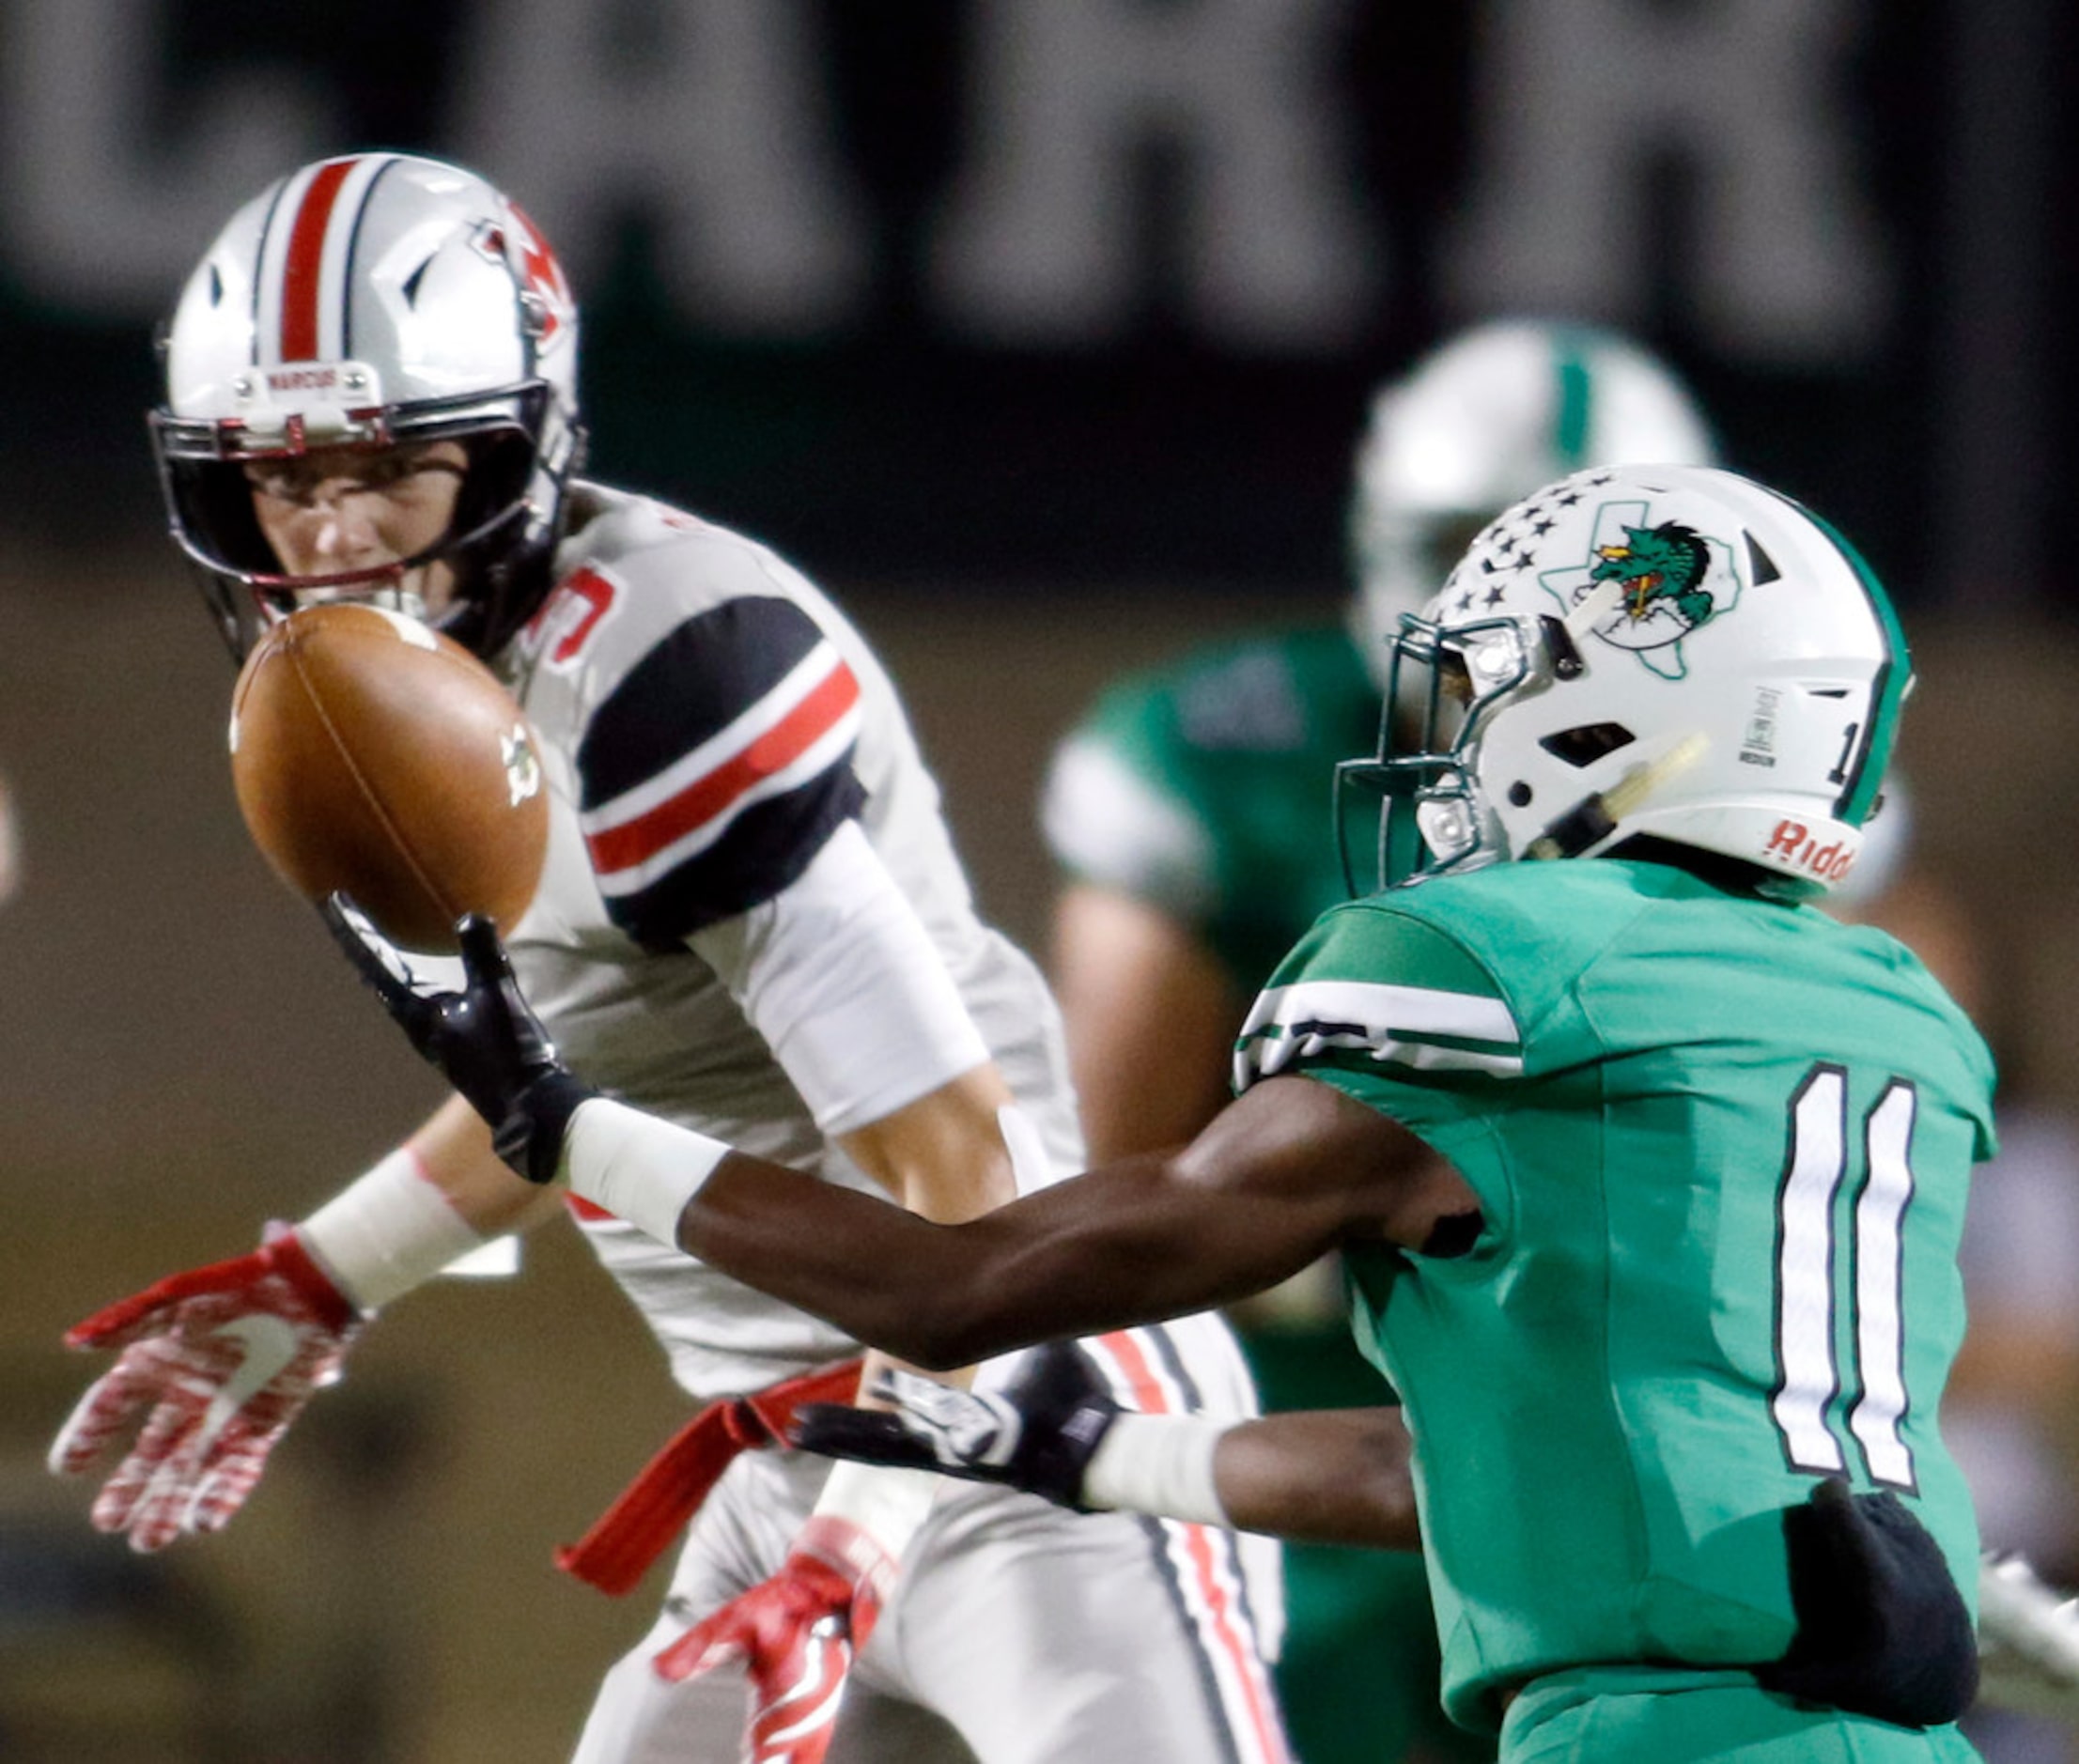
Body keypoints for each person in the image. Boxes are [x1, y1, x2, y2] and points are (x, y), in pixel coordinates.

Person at [332, 460, 1996, 1762]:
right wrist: (1088, 1446)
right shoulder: (1889, 1014)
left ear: (1633, 703)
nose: (1464, 731)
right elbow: (1481, 1467)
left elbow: (954, 1283)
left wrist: (567, 1120)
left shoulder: (1493, 970)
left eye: (1510, 678)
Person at [47, 152, 1285, 1764]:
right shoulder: (354, 718)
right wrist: (329, 1273)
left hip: (1041, 1421)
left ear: (514, 442)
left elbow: (968, 1183)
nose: (334, 532)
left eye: (389, 466)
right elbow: (577, 1085)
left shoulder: (662, 681)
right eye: (282, 480)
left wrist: (860, 1542)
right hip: (790, 1462)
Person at [1040, 317, 1718, 1764]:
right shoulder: (1234, 761)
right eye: (1488, 552)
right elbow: (1117, 1172)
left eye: (1595, 573)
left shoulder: (1782, 772)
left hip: (1652, 1467)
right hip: (1313, 1458)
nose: (1535, 627)